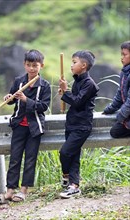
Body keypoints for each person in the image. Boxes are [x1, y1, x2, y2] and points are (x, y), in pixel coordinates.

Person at [0, 49, 51, 204]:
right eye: (28, 65)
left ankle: (24, 190)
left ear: (41, 66)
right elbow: (12, 99)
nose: (31, 68)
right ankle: (10, 191)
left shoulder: (44, 86)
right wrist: (9, 98)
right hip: (19, 125)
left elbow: (43, 106)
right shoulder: (19, 81)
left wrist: (26, 99)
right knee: (15, 158)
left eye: (35, 65)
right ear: (24, 65)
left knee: (30, 159)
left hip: (35, 128)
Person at [58, 50, 99, 198]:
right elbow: (73, 99)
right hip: (72, 124)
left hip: (81, 126)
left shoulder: (90, 84)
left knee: (65, 152)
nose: (71, 65)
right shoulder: (77, 81)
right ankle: (74, 186)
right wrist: (65, 93)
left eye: (74, 62)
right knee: (73, 155)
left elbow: (77, 102)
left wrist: (65, 91)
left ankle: (66, 176)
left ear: (84, 65)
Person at [103, 41, 130, 138]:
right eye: (121, 54)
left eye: (125, 55)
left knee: (115, 132)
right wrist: (109, 109)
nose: (121, 57)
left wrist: (120, 116)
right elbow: (120, 94)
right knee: (115, 132)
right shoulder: (124, 72)